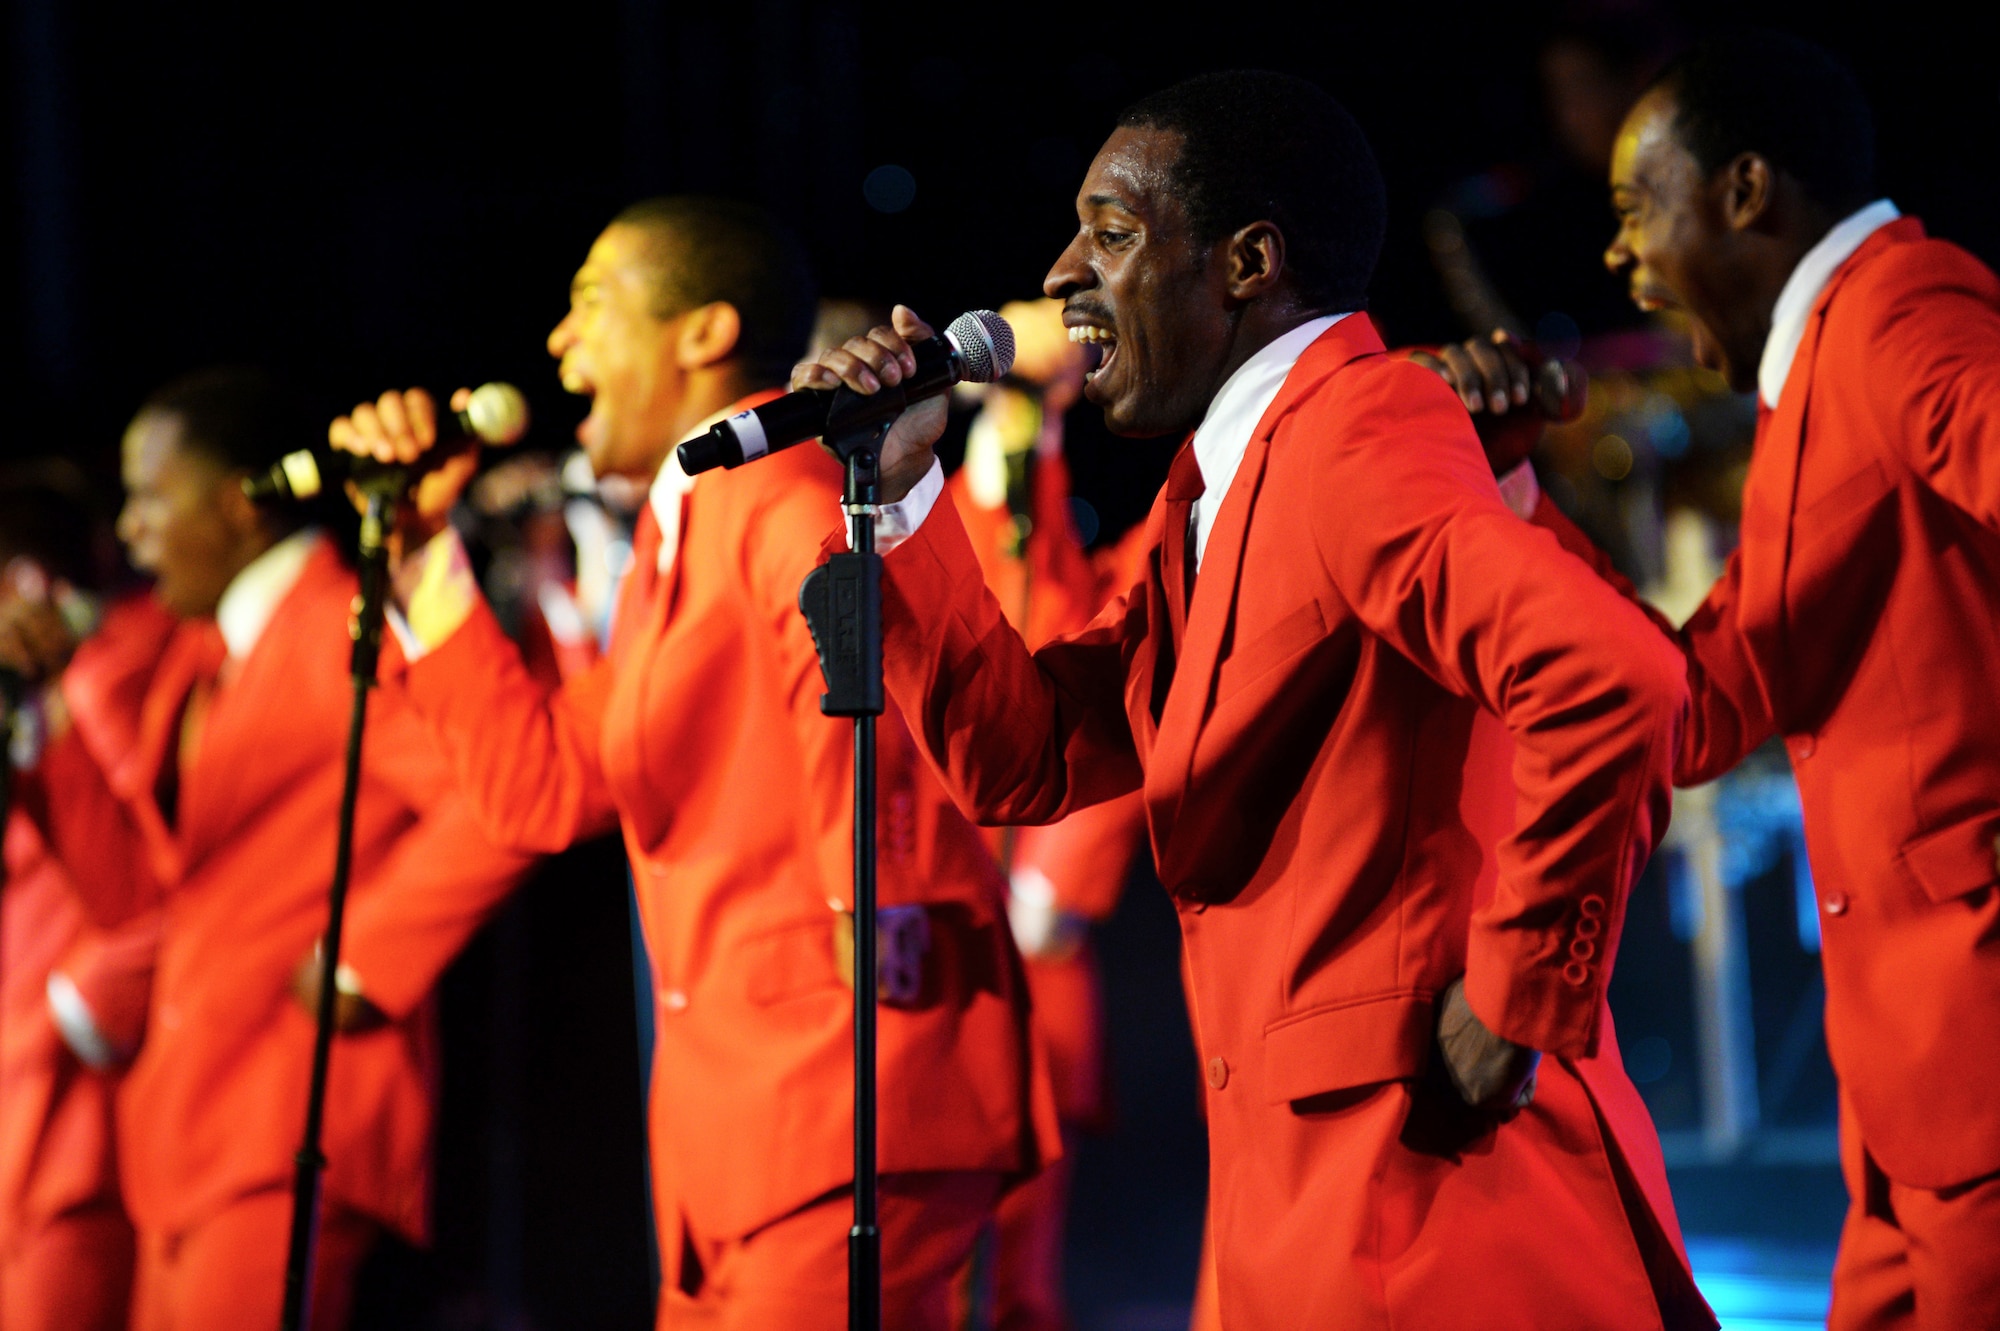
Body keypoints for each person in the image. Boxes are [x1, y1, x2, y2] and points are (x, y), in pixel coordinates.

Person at [796, 70, 1713, 1329]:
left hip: (1423, 1208)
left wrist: (1514, 994)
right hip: (1289, 1200)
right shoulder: (1210, 485)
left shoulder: (1354, 430)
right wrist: (901, 497)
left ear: (1246, 262)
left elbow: (1613, 674)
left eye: (1111, 233)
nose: (1064, 272)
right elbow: (1030, 756)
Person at [328, 195, 1056, 1330]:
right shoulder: (688, 528)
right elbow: (546, 784)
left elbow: (894, 747)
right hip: (737, 1132)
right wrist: (422, 548)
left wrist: (885, 932)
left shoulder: (785, 500)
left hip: (840, 1108)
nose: (560, 345)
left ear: (702, 333)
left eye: (588, 308)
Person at [1421, 32, 2000, 1330]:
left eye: (1639, 208)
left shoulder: (1904, 319)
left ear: (1746, 193)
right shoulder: (1826, 370)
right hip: (1911, 1101)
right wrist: (1510, 485)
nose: (1620, 255)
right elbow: (1699, 699)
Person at [1, 367, 534, 1331]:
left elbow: (495, 801)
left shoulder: (344, 628)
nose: (127, 530)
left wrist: (367, 953)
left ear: (243, 501)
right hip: (186, 1126)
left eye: (150, 495)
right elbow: (136, 898)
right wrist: (46, 723)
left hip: (285, 1119)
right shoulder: (204, 658)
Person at [948, 297, 1147, 1331]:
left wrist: (1053, 880)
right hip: (928, 900)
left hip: (1021, 903)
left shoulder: (1040, 497)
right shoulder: (971, 498)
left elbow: (1103, 689)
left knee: (1025, 1208)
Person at [0, 474, 169, 1331]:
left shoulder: (128, 666)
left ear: (29, 585)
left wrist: (71, 1011)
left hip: (72, 1129)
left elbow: (153, 892)